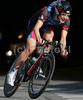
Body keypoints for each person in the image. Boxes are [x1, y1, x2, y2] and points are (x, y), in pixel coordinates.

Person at [7, 0, 72, 86]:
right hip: (35, 24)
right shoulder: (47, 11)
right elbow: (37, 28)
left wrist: (63, 49)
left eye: (67, 15)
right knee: (30, 49)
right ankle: (12, 72)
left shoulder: (67, 20)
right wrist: (39, 38)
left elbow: (63, 38)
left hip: (46, 26)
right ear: (57, 11)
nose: (65, 17)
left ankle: (39, 61)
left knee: (49, 39)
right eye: (63, 14)